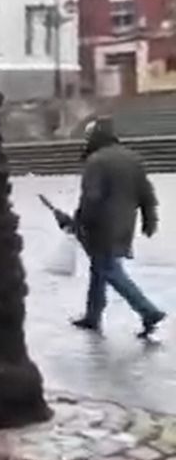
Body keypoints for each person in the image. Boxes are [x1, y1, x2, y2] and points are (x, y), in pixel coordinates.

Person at [63, 117, 165, 337]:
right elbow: (146, 193)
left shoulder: (97, 161)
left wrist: (79, 222)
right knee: (99, 268)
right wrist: (150, 218)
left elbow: (92, 197)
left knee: (109, 270)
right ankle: (93, 316)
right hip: (125, 223)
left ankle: (149, 311)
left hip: (102, 226)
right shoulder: (132, 158)